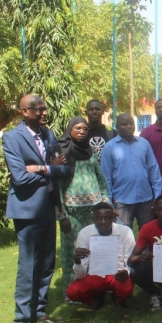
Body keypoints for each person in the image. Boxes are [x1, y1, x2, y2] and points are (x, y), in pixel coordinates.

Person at [2, 95, 71, 323]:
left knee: (46, 262)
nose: (44, 113)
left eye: (45, 108)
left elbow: (63, 169)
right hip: (27, 211)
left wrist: (41, 168)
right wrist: (50, 171)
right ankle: (21, 322)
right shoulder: (12, 138)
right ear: (24, 111)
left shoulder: (48, 135)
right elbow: (20, 178)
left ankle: (40, 311)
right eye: (38, 109)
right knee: (28, 264)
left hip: (47, 209)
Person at [57, 117, 110, 302]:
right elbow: (57, 188)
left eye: (85, 129)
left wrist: (105, 199)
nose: (82, 131)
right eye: (78, 128)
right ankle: (69, 292)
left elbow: (100, 177)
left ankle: (91, 289)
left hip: (94, 212)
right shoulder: (62, 153)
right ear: (70, 129)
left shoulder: (90, 151)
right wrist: (61, 215)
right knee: (72, 251)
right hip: (71, 213)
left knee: (92, 250)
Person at [66, 202, 135, 309]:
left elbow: (130, 260)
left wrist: (127, 271)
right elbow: (80, 276)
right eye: (99, 218)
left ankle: (117, 296)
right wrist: (77, 261)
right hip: (95, 275)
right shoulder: (85, 233)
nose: (103, 222)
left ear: (113, 218)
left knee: (126, 289)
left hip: (117, 275)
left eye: (107, 218)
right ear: (93, 219)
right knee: (72, 292)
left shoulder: (125, 232)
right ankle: (95, 296)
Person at [100, 113, 162, 230]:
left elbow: (153, 169)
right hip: (122, 200)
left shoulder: (144, 143)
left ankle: (147, 250)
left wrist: (157, 195)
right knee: (122, 236)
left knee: (148, 233)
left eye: (131, 124)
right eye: (124, 124)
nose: (129, 126)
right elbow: (106, 177)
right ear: (117, 126)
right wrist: (108, 202)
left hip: (146, 198)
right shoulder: (109, 147)